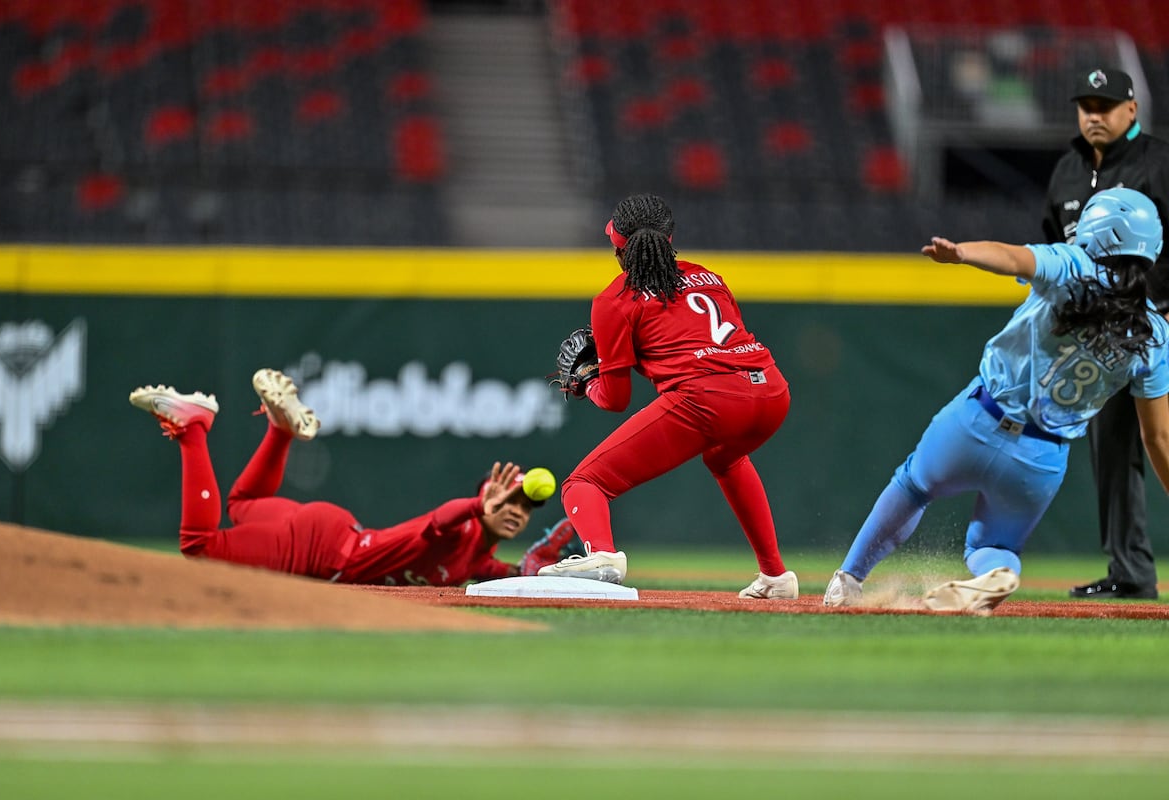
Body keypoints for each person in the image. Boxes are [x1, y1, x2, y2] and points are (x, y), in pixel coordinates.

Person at [824, 188, 1169, 614]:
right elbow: (1158, 437)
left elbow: (1011, 257)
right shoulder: (1155, 333)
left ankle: (849, 578)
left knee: (913, 485)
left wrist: (962, 253)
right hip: (1041, 460)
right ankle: (997, 573)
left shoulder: (1073, 265)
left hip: (978, 419)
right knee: (995, 544)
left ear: (1098, 230)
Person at [537, 193, 797, 600]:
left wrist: (589, 382)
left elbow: (616, 398)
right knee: (724, 457)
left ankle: (602, 555)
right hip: (772, 390)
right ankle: (776, 576)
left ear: (618, 247)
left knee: (584, 482)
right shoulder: (709, 277)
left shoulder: (614, 300)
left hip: (708, 399)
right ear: (670, 239)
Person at [129, 367, 572, 586]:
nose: (516, 511)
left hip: (335, 530)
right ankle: (193, 428)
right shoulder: (462, 529)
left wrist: (549, 571)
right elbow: (442, 519)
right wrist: (478, 506)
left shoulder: (477, 558)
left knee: (241, 505)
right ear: (483, 500)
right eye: (508, 501)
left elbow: (511, 573)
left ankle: (281, 431)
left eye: (524, 507)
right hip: (320, 552)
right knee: (199, 546)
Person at [1043, 66, 1169, 600]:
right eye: (1086, 105)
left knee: (1160, 439)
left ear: (1132, 110)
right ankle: (1132, 572)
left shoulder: (1160, 163)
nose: (1094, 114)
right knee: (1113, 451)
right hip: (1104, 339)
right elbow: (1054, 248)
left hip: (1161, 324)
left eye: (1107, 105)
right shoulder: (1067, 172)